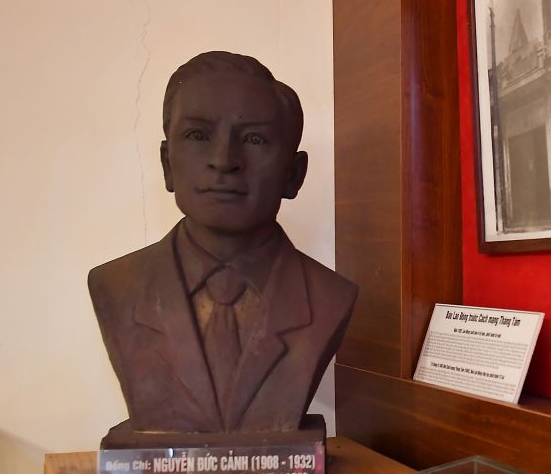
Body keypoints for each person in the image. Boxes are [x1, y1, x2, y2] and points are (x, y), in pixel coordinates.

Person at [90, 52, 358, 439]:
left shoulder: (330, 297)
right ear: (167, 164)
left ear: (294, 175)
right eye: (197, 135)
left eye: (254, 139)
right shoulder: (114, 287)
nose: (223, 161)